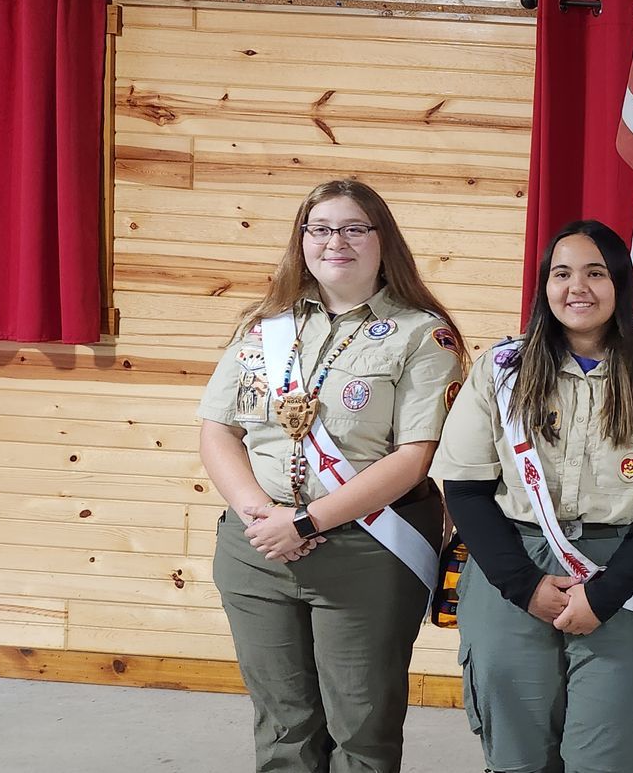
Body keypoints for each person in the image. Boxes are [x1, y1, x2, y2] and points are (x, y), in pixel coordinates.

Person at [197, 178, 466, 772]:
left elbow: (416, 455)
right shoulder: (264, 328)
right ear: (302, 241)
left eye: (352, 228)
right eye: (319, 229)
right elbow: (218, 430)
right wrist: (260, 517)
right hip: (258, 550)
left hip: (368, 550)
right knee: (283, 727)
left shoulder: (423, 334)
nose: (334, 242)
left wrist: (306, 519)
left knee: (362, 728)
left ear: (381, 239)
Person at [434, 219, 633, 773]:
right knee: (516, 750)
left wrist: (606, 595)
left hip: (621, 569)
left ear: (619, 285)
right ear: (545, 285)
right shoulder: (500, 372)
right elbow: (464, 489)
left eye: (595, 273)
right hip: (512, 563)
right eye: (562, 273)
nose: (576, 287)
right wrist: (525, 586)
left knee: (607, 750)